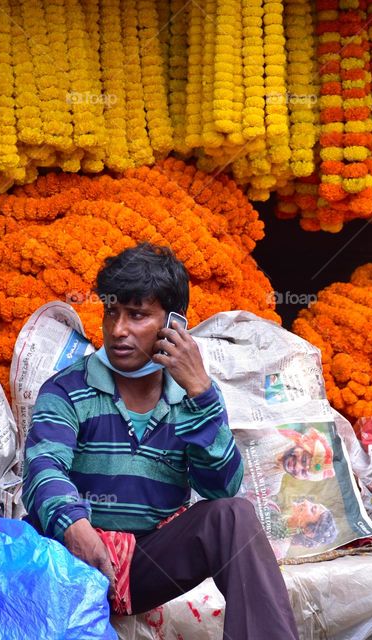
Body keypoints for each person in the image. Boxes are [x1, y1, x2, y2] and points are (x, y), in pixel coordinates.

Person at [22, 243, 299, 639]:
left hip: (145, 566)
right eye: (111, 313)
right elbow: (43, 468)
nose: (118, 330)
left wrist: (202, 394)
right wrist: (75, 527)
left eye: (137, 316)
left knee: (232, 515)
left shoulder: (193, 396)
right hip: (70, 560)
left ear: (174, 325)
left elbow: (220, 486)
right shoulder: (68, 389)